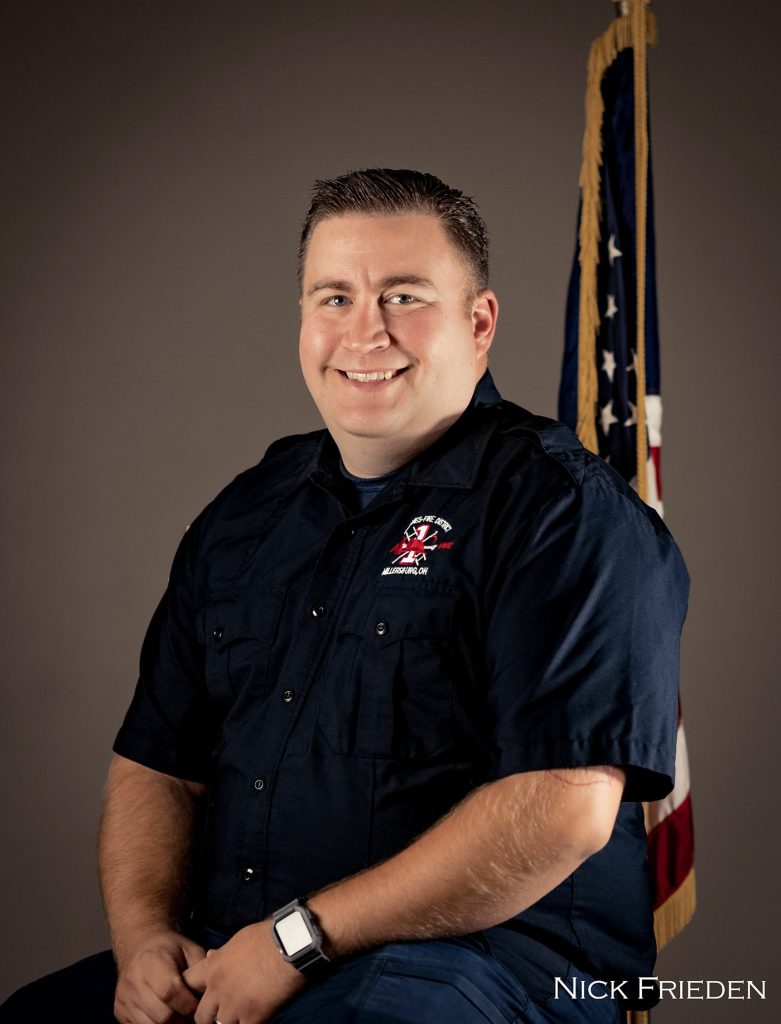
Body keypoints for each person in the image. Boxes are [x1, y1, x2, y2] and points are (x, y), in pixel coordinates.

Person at [0, 168, 689, 1024]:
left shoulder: (564, 513)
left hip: (491, 969)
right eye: (333, 298)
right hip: (237, 957)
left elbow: (561, 810)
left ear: (479, 324)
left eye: (403, 296)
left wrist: (298, 939)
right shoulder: (246, 514)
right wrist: (144, 938)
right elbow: (157, 766)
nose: (363, 331)